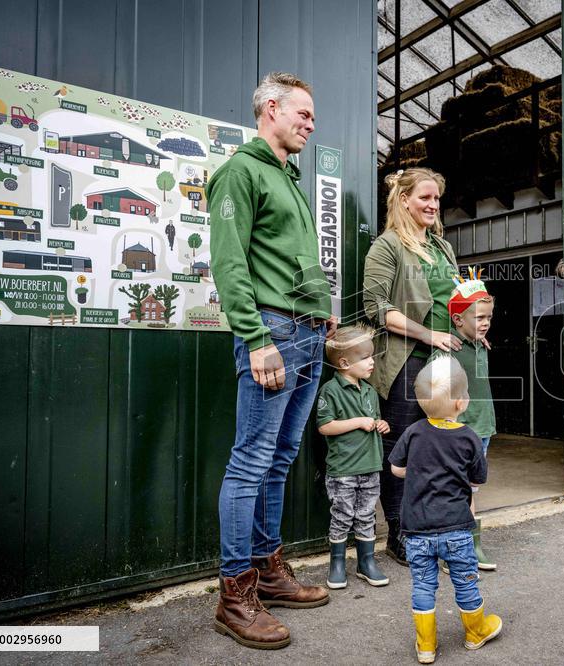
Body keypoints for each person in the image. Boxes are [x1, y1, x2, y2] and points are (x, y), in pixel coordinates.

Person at [208, 71, 336, 650]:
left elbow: (293, 259)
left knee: (280, 458)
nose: (310, 124)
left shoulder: (289, 178)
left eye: (312, 117)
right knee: (251, 460)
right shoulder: (241, 171)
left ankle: (269, 569)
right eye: (303, 114)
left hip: (308, 330)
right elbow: (231, 265)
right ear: (271, 109)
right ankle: (235, 594)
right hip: (274, 332)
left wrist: (323, 308)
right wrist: (257, 339)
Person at [363, 168, 461, 566]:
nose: (433, 205)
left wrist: (472, 324)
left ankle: (433, 526)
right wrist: (427, 335)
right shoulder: (387, 246)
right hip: (406, 360)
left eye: (436, 199)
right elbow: (376, 308)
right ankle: (399, 533)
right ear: (403, 199)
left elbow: (455, 298)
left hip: (445, 358)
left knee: (440, 445)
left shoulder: (442, 248)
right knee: (402, 447)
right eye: (425, 197)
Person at [389, 355, 502, 664]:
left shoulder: (413, 432)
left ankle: (426, 644)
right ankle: (475, 632)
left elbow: (396, 469)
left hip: (417, 529)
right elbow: (478, 478)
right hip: (456, 527)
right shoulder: (468, 437)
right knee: (465, 579)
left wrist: (417, 470)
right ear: (460, 404)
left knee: (423, 584)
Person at [316, 324, 390, 589]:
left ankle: (366, 562)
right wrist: (358, 421)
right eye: (365, 357)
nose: (372, 361)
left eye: (372, 355)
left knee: (366, 515)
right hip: (343, 470)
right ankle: (337, 564)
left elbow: (376, 420)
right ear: (345, 362)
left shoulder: (369, 391)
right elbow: (325, 426)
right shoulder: (331, 391)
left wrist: (381, 424)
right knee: (342, 516)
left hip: (370, 466)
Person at [446, 272, 497, 570]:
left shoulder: (481, 345)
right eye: (479, 317)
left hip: (483, 426)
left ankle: (471, 545)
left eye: (488, 317)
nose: (485, 322)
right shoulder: (448, 350)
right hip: (460, 429)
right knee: (459, 488)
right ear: (457, 320)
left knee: (471, 488)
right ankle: (461, 549)